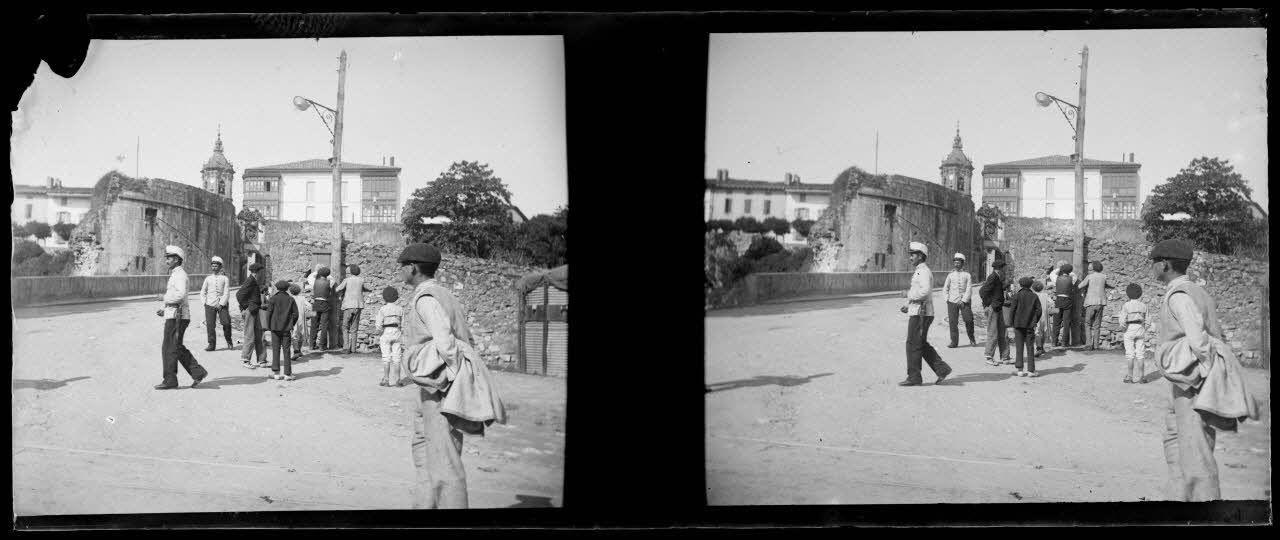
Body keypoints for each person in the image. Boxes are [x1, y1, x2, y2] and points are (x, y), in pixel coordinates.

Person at [1150, 239, 1260, 501]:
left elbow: (1198, 340)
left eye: (1153, 262)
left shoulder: (1179, 296)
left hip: (1193, 381)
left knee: (1195, 452)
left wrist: (1204, 375)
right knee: (1176, 441)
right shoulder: (1196, 291)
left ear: (1164, 265)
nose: (1151, 267)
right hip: (1184, 382)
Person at [399, 243, 507, 508]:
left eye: (402, 266)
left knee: (444, 463)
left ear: (413, 268)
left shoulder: (427, 299)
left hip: (440, 389)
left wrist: (448, 380)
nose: (400, 271)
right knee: (424, 454)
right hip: (430, 389)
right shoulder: (443, 294)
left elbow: (446, 344)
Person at [898, 242, 952, 386]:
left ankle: (914, 377)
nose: (910, 258)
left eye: (913, 255)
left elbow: (924, 291)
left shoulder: (923, 271)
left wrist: (907, 294)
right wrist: (908, 304)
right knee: (919, 343)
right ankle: (941, 369)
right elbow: (919, 291)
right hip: (919, 311)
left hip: (921, 313)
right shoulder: (920, 271)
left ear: (921, 256)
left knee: (913, 344)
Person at [155, 246, 209, 389]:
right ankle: (197, 372)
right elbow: (176, 296)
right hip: (174, 314)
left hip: (178, 316)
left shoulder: (180, 275)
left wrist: (163, 298)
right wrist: (164, 309)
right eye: (167, 258)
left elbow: (180, 295)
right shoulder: (176, 274)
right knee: (175, 347)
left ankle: (170, 380)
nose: (167, 261)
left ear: (177, 259)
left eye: (169, 258)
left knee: (169, 347)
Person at [264, 280, 299, 381]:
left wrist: (269, 326)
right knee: (287, 350)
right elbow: (296, 314)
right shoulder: (290, 299)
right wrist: (291, 324)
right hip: (286, 328)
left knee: (275, 349)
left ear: (277, 288)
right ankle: (287, 374)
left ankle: (276, 373)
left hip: (275, 328)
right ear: (287, 288)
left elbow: (269, 313)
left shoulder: (273, 298)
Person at [979, 259, 1011, 366]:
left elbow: (996, 291)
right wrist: (987, 305)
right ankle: (989, 356)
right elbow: (982, 292)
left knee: (1003, 333)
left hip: (999, 308)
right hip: (994, 308)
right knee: (993, 333)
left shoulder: (998, 277)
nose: (1005, 270)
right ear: (1000, 268)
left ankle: (1005, 357)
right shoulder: (993, 277)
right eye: (1004, 268)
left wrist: (1005, 285)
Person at [1009, 276, 1043, 377]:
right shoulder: (1034, 296)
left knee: (1019, 347)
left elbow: (1012, 310)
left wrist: (1012, 323)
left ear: (1020, 284)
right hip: (1030, 325)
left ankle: (1020, 370)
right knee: (1030, 347)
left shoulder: (1017, 295)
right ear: (1030, 285)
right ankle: (1031, 371)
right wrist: (1034, 320)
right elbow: (1039, 311)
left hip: (1018, 324)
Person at [336, 264, 374, 354]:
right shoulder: (361, 280)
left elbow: (338, 289)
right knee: (354, 328)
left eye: (348, 272)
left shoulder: (347, 280)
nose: (347, 274)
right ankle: (353, 349)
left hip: (348, 305)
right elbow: (369, 288)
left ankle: (346, 348)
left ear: (351, 272)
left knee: (345, 327)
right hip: (358, 305)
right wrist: (361, 289)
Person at [942, 253, 976, 348]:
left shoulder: (967, 275)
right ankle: (954, 342)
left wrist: (964, 300)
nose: (956, 264)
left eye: (958, 263)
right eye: (955, 263)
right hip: (952, 301)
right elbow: (945, 288)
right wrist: (947, 299)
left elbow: (969, 289)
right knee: (953, 322)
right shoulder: (950, 275)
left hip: (965, 302)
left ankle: (972, 338)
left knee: (969, 320)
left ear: (962, 263)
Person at [237, 262, 267, 369]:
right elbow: (239, 295)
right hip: (251, 311)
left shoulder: (255, 281)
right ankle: (245, 359)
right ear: (256, 272)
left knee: (260, 335)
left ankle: (262, 360)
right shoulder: (250, 281)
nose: (262, 274)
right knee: (250, 335)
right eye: (261, 272)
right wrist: (246, 307)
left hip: (256, 311)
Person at [1079, 260, 1114, 350]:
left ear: (1093, 268)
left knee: (1087, 323)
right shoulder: (1104, 277)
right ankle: (1096, 345)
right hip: (1100, 303)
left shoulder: (1090, 276)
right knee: (1097, 325)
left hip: (1090, 302)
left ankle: (1088, 344)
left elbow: (1081, 285)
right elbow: (1111, 285)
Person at [200, 255, 234, 351]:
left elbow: (226, 292)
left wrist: (222, 303)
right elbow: (203, 291)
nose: (214, 267)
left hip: (222, 305)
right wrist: (204, 302)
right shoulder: (208, 279)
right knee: (210, 325)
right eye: (213, 266)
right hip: (209, 304)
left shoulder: (225, 278)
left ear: (220, 267)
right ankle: (211, 344)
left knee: (226, 323)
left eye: (216, 266)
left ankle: (229, 341)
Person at [1117, 283, 1149, 384]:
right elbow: (1148, 319)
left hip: (1129, 328)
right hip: (1140, 328)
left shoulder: (1126, 305)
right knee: (1140, 354)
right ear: (1140, 293)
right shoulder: (1143, 305)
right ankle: (1142, 377)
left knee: (1130, 354)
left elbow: (1122, 320)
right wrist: (1145, 327)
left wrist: (1123, 328)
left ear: (1128, 294)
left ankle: (1130, 376)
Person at [376, 286, 405, 387]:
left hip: (386, 332)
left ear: (384, 297)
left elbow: (378, 324)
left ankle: (386, 379)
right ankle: (398, 379)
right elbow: (403, 323)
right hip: (396, 332)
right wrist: (400, 331)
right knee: (397, 357)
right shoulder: (400, 309)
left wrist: (380, 332)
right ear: (396, 297)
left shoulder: (383, 309)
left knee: (386, 357)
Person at [1052, 263, 1078, 348]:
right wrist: (1068, 270)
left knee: (1056, 322)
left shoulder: (1056, 278)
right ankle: (1064, 342)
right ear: (1070, 271)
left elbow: (1052, 273)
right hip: (1068, 301)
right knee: (1067, 322)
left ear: (1062, 270)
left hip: (1057, 301)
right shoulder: (1072, 279)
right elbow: (1074, 274)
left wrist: (1060, 268)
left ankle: (1054, 342)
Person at [310, 266, 334, 350]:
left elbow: (311, 276)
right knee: (324, 325)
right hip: (325, 304)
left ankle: (311, 345)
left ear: (319, 273)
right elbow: (332, 278)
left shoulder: (313, 281)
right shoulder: (330, 282)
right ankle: (322, 346)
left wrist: (318, 270)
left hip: (315, 304)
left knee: (313, 324)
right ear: (328, 274)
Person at [1033, 279, 1056, 357]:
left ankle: (1038, 348)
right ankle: (1042, 348)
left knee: (1037, 332)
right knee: (1043, 331)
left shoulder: (1033, 295)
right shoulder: (1045, 295)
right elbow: (1052, 303)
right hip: (1044, 316)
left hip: (1036, 316)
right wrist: (1048, 308)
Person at [289, 283, 311, 361]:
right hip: (301, 318)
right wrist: (305, 311)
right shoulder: (302, 298)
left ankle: (296, 351)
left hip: (294, 318)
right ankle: (300, 350)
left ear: (291, 291)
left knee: (294, 335)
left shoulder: (290, 298)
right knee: (301, 334)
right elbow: (309, 306)